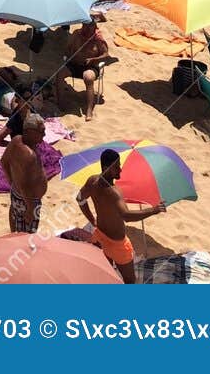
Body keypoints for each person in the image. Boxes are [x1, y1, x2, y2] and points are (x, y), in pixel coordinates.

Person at [76, 148, 165, 282]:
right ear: (106, 167)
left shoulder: (92, 181)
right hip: (118, 245)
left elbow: (80, 198)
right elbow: (126, 216)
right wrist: (154, 210)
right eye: (116, 167)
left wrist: (92, 220)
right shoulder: (114, 192)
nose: (120, 170)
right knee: (130, 280)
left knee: (105, 273)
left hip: (100, 237)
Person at [1, 111, 48, 232]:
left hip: (17, 194)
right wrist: (30, 209)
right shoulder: (29, 155)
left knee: (16, 226)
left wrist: (11, 182)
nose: (44, 135)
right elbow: (25, 185)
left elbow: (3, 162)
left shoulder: (16, 140)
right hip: (28, 201)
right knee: (26, 237)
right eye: (41, 132)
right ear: (28, 132)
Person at [64, 19, 109, 119]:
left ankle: (89, 110)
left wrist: (93, 59)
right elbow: (67, 49)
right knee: (60, 74)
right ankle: (61, 104)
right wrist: (71, 56)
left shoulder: (97, 38)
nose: (87, 28)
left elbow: (106, 55)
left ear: (94, 26)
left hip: (91, 66)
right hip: (75, 64)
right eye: (85, 25)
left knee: (88, 77)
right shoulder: (77, 34)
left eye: (90, 26)